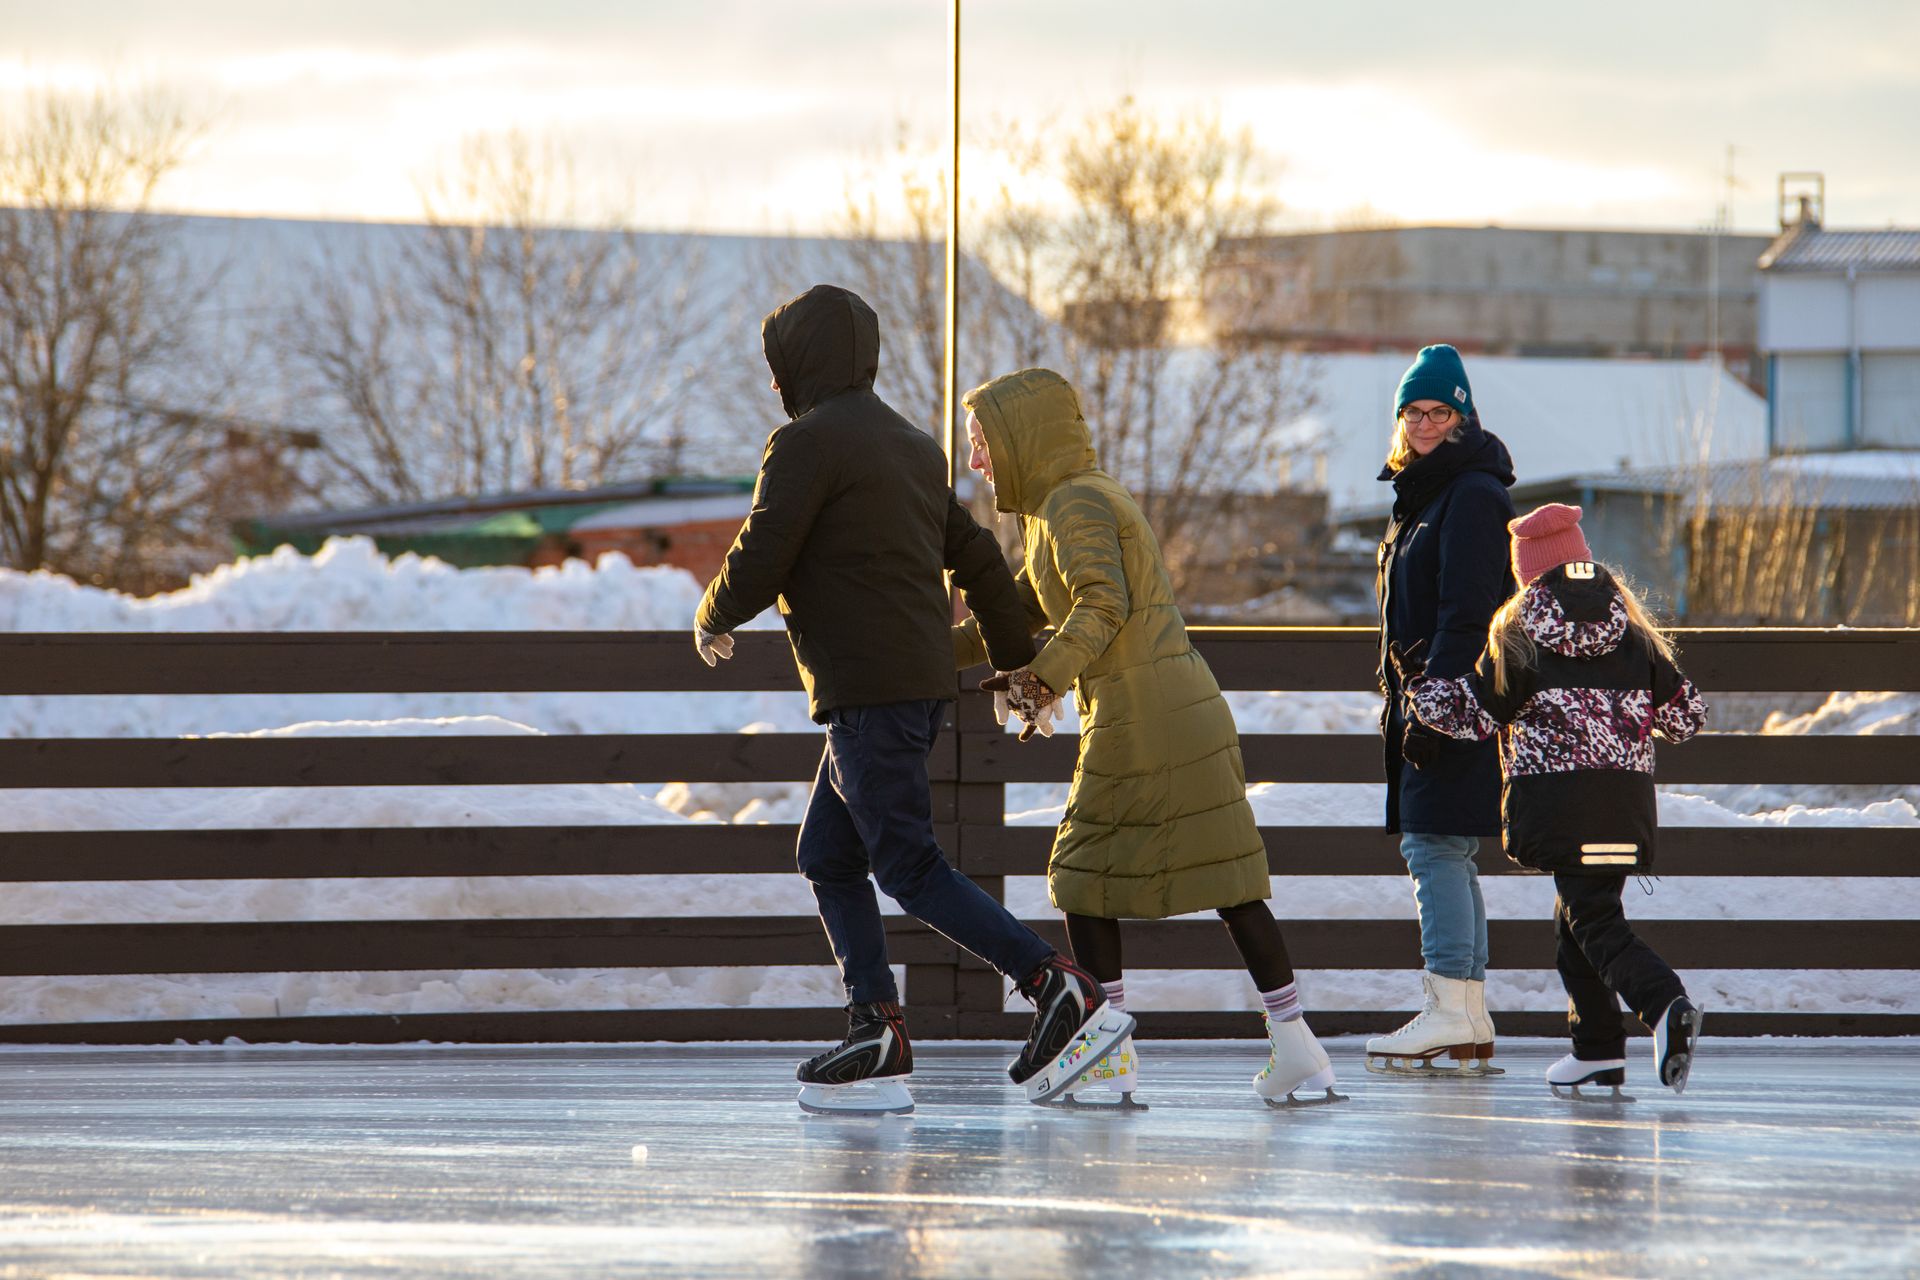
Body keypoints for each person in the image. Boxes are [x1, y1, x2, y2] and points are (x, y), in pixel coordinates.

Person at [695, 286, 1133, 1114]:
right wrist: (1015, 664)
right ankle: (878, 1030)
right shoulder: (908, 444)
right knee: (828, 854)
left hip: (870, 696)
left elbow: (763, 551)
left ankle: (1053, 986)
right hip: (909, 691)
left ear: (801, 364)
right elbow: (977, 559)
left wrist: (714, 610)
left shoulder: (803, 445)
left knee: (906, 864)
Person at [956, 367, 1342, 1109]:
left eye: (982, 444)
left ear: (1020, 439)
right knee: (1227, 879)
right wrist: (923, 652)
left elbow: (1102, 605)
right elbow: (1024, 610)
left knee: (1082, 876)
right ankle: (1298, 1049)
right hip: (1165, 709)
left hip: (1147, 718)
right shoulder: (1060, 510)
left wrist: (1040, 683)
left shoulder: (1075, 505)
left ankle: (1107, 1054)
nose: (976, 462)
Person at [1399, 503, 1708, 1097]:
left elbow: (1475, 714)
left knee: (1593, 921)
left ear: (1528, 572)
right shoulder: (1636, 632)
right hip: (1624, 805)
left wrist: (1420, 690)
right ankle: (1596, 1051)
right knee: (1577, 923)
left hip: (1561, 807)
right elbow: (1687, 717)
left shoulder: (1518, 631)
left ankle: (1664, 1003)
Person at [1368, 343, 1517, 1077]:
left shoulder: (1473, 493)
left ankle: (1450, 1008)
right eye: (1415, 411)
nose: (1426, 422)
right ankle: (1469, 1014)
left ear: (1462, 416)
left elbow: (1469, 613)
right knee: (1447, 849)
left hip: (1452, 706)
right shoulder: (1422, 493)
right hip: (1425, 702)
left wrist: (1438, 705)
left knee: (1434, 848)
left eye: (1440, 410)